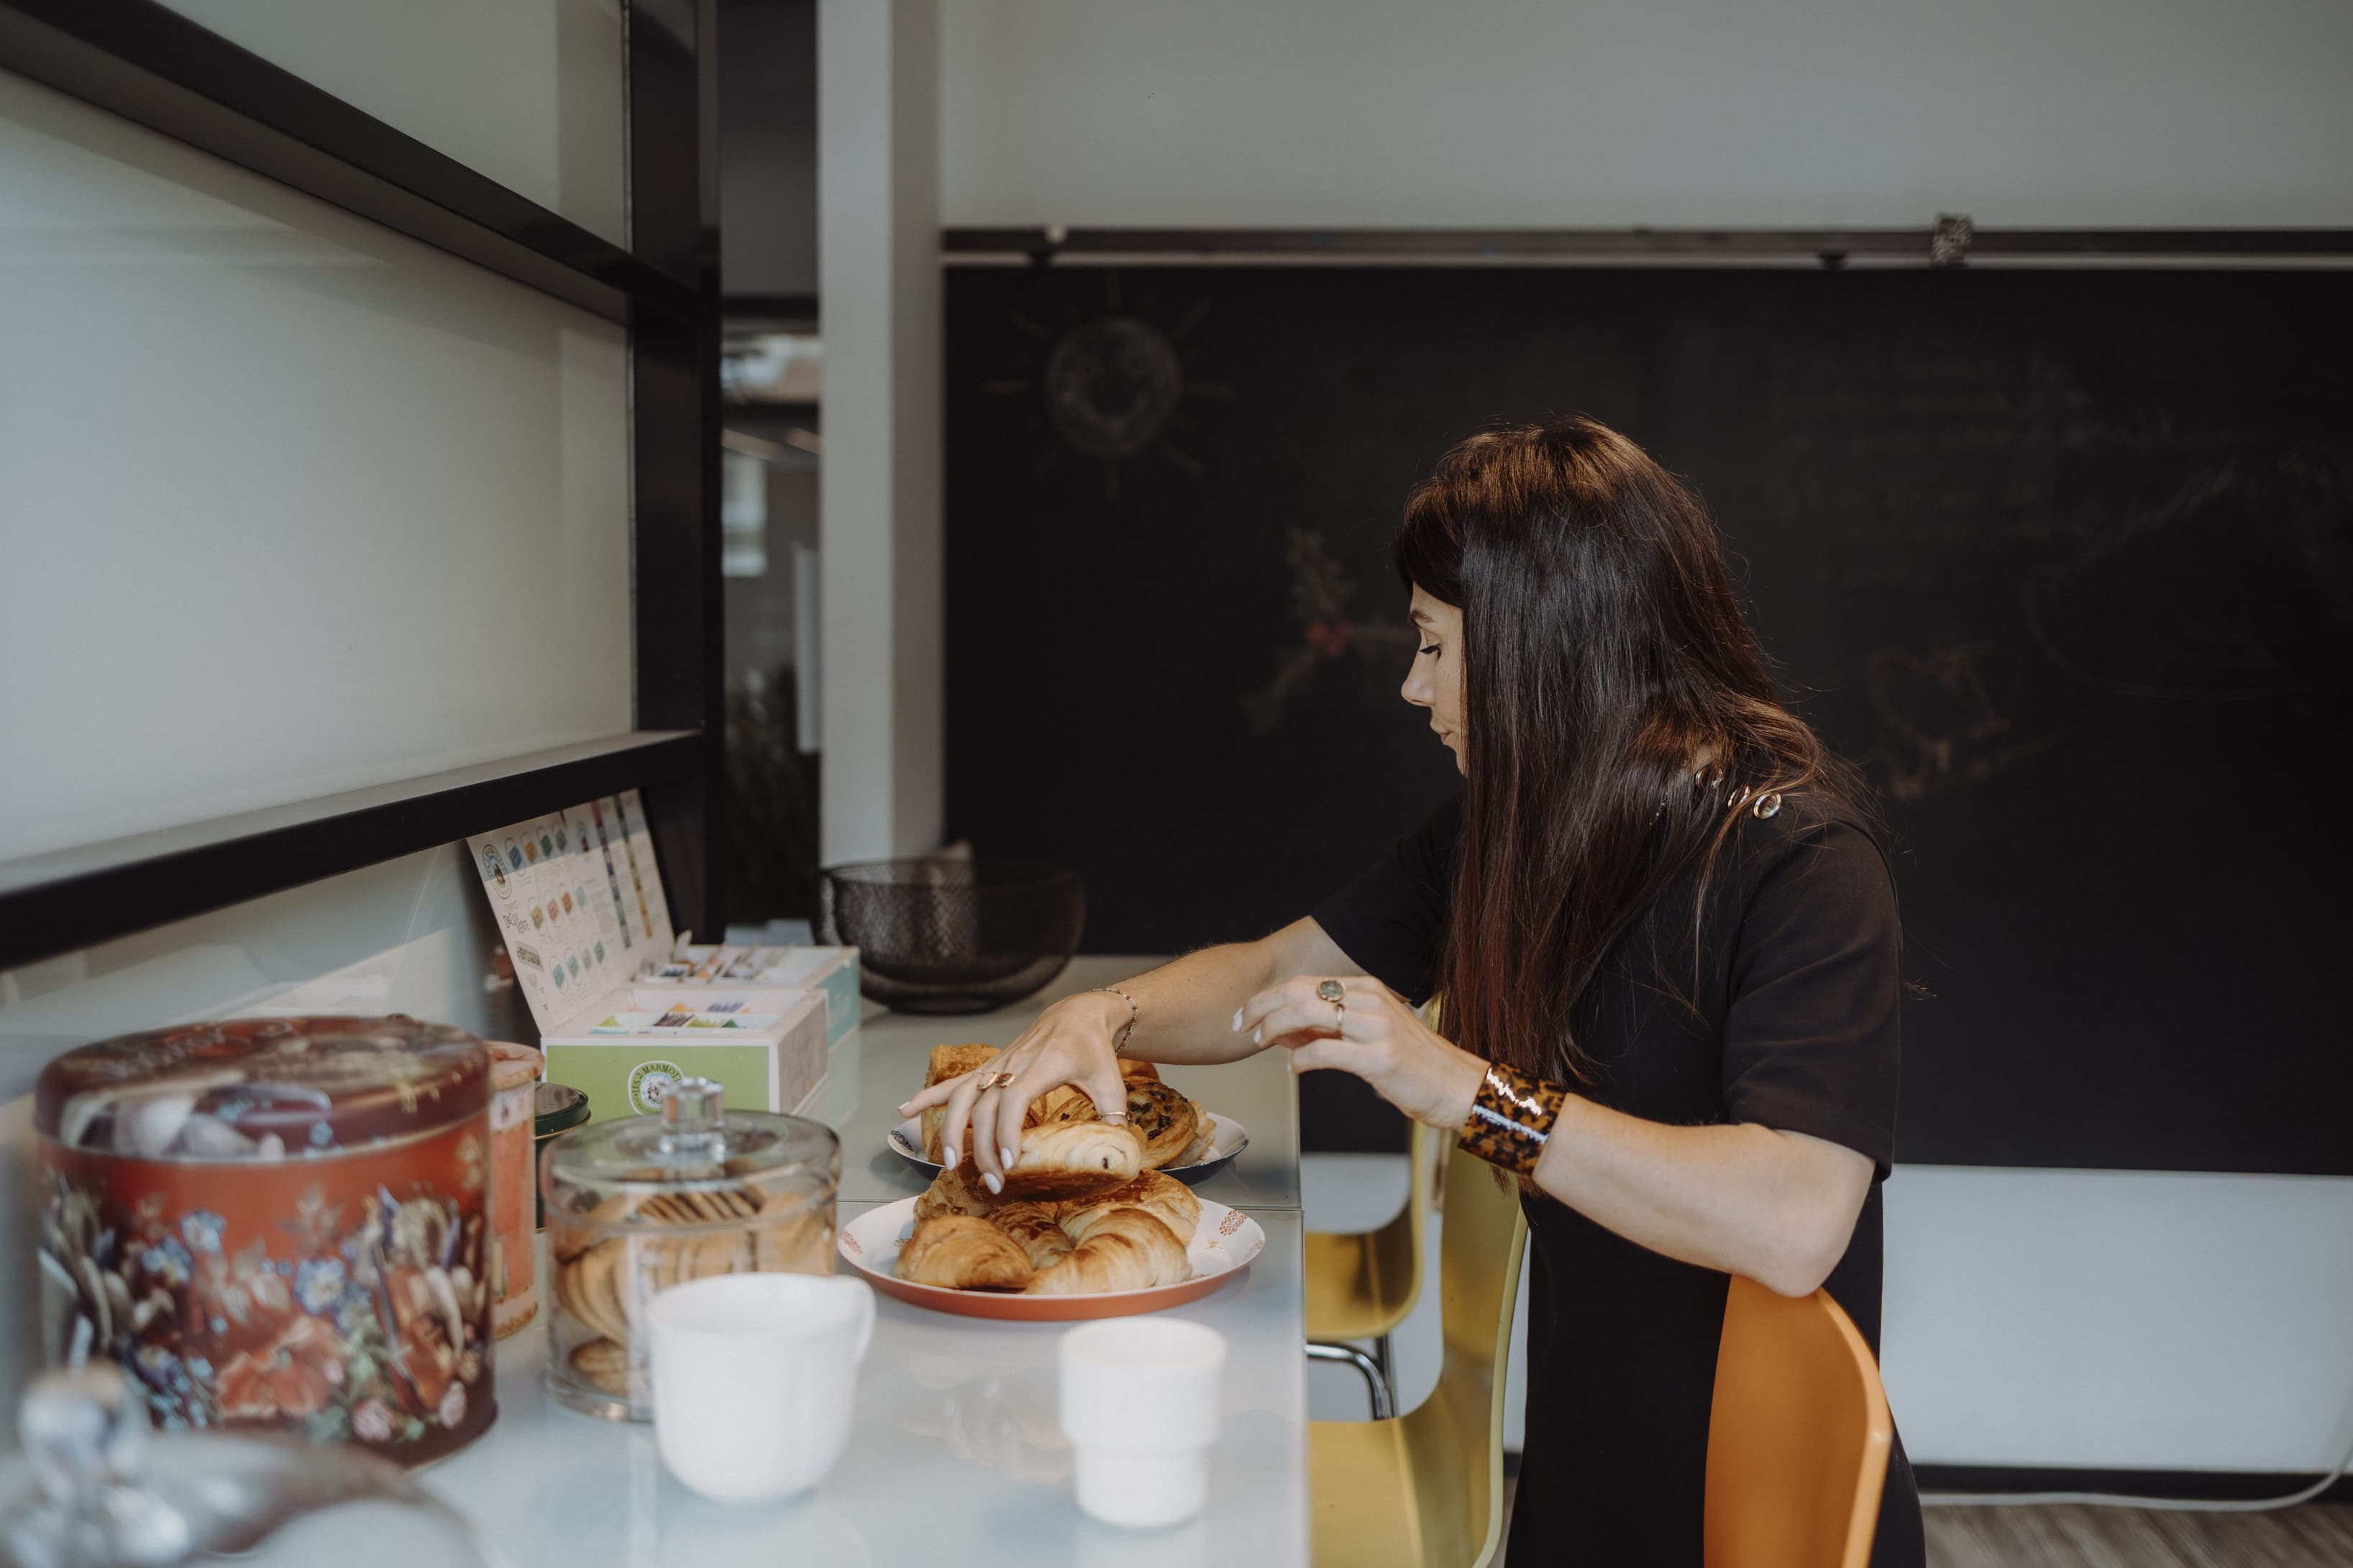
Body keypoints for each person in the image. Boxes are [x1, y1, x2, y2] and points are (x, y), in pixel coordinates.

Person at [903, 416, 1927, 1566]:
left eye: (1437, 645)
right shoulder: (1524, 829)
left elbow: (1795, 1220)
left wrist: (1466, 1089)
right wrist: (1102, 1014)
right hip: (1590, 1485)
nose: (1410, 683)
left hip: (1757, 1521)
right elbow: (1275, 972)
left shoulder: (1804, 864)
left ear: (1547, 645)